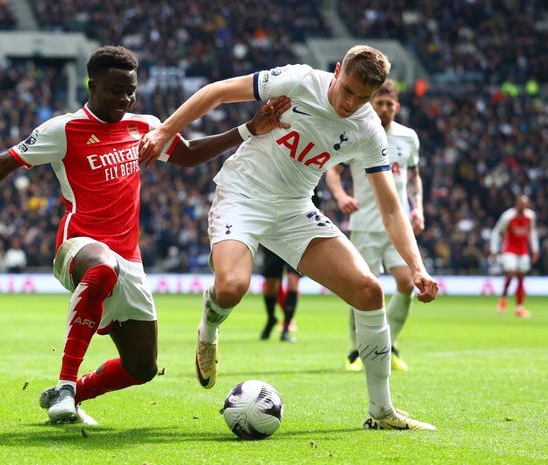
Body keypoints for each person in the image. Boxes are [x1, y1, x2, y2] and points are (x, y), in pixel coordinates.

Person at [0, 45, 291, 425]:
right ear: (92, 87)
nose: (126, 100)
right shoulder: (64, 129)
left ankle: (71, 394)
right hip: (78, 246)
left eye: (131, 91)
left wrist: (248, 129)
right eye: (117, 91)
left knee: (142, 367)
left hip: (128, 259)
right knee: (101, 268)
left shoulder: (145, 126)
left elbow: (186, 155)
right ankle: (66, 384)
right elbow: (1, 164)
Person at [140, 45, 439, 430]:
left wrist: (417, 267)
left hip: (295, 209)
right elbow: (216, 91)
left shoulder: (366, 128)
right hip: (243, 197)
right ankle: (209, 328)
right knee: (231, 287)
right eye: (347, 89)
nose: (351, 103)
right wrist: (166, 129)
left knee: (368, 291)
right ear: (337, 70)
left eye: (362, 97)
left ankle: (381, 412)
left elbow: (392, 207)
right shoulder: (298, 80)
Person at [325, 79, 423, 372]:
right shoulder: (357, 133)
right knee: (362, 288)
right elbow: (333, 171)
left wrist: (417, 208)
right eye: (378, 103)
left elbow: (414, 176)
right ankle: (356, 352)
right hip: (365, 224)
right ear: (370, 104)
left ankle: (387, 345)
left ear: (397, 106)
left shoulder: (408, 138)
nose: (383, 109)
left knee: (408, 282)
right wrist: (342, 195)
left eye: (388, 104)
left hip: (399, 225)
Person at [490, 195, 539, 318]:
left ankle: (519, 307)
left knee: (521, 277)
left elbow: (532, 232)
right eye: (520, 203)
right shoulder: (508, 216)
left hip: (523, 251)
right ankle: (503, 299)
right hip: (509, 250)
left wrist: (535, 249)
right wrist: (494, 249)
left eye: (525, 203)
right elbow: (497, 231)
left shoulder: (530, 216)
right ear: (516, 204)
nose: (522, 206)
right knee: (511, 273)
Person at [259, 246, 300, 343]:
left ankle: (285, 330)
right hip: (274, 239)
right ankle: (271, 319)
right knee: (270, 285)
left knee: (292, 281)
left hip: (295, 242)